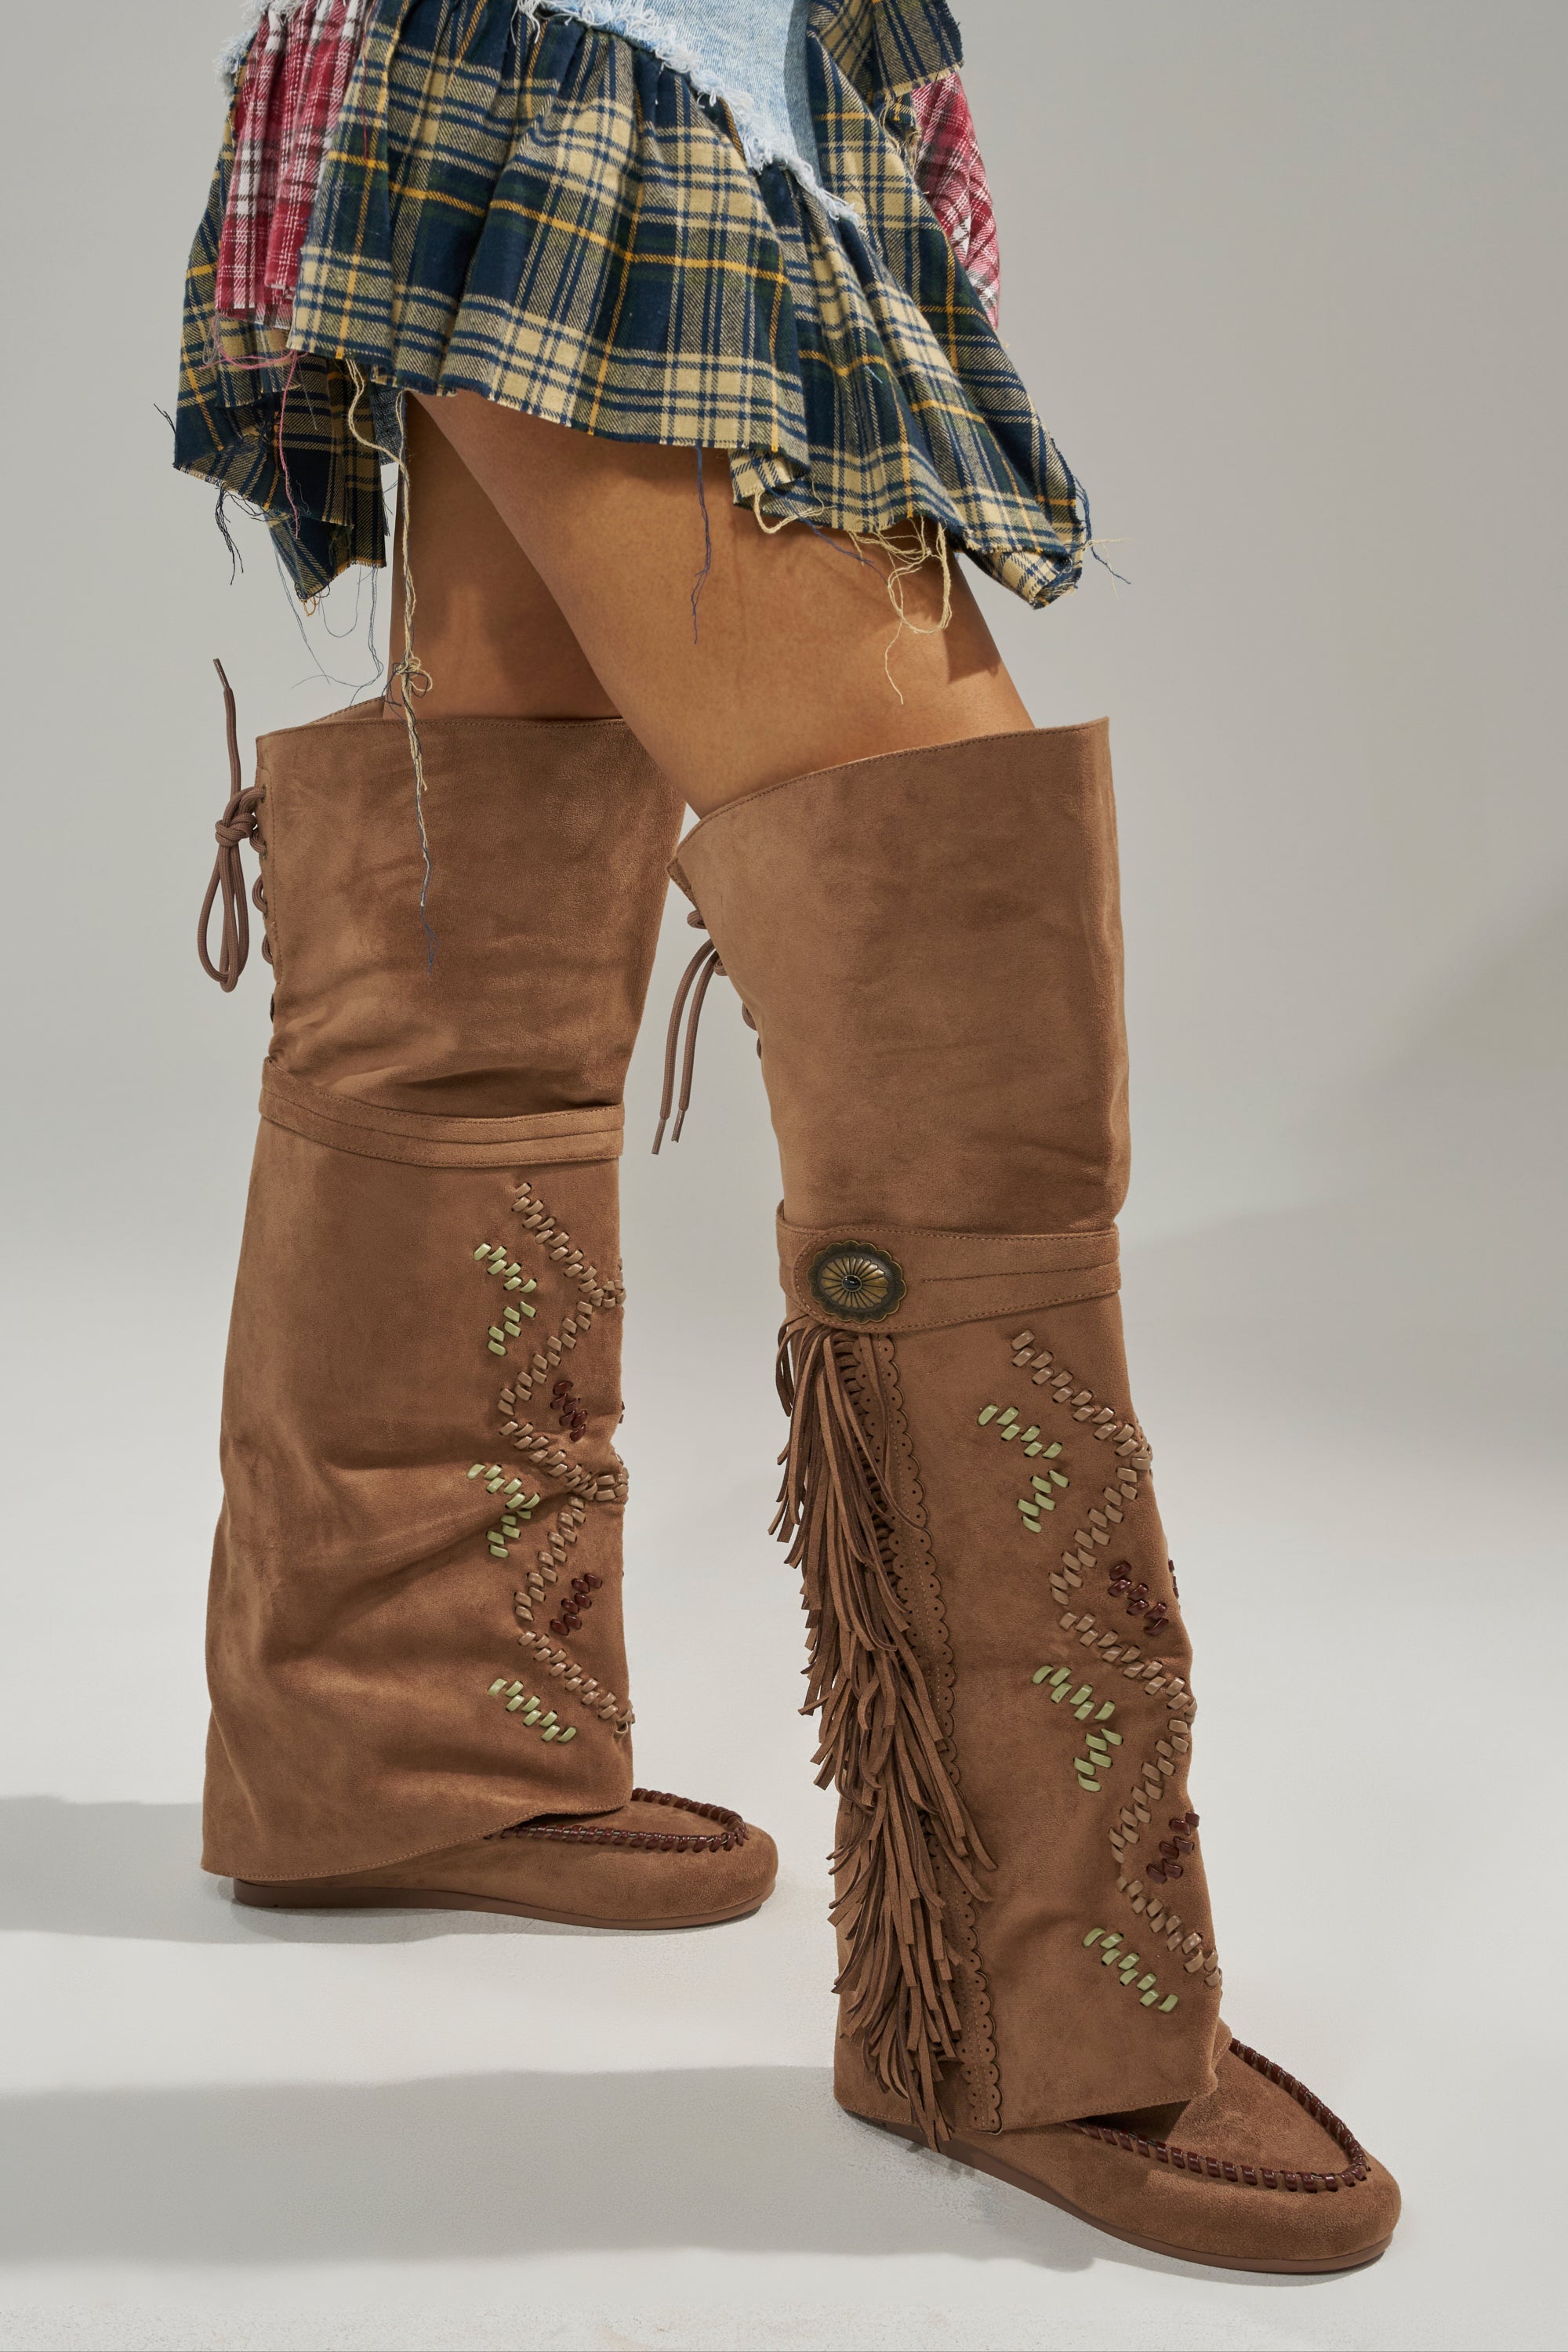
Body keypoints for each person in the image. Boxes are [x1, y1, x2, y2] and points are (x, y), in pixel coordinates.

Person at [176, 0, 1399, 2273]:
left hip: (568, 49)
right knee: (945, 948)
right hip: (622, 53)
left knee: (488, 862)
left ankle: (396, 1734)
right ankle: (1027, 1996)